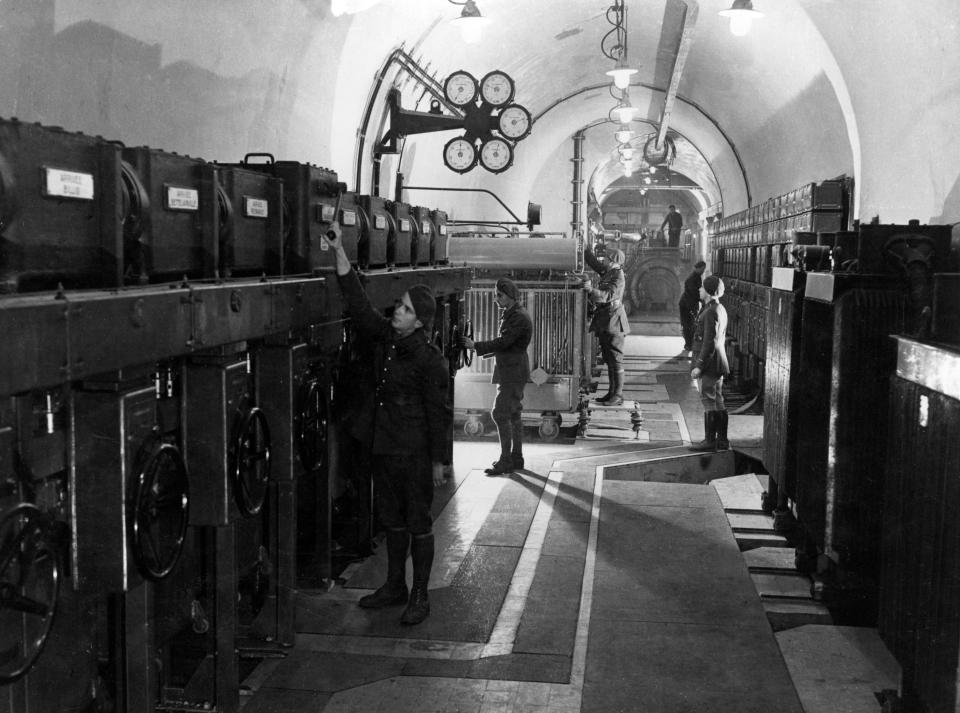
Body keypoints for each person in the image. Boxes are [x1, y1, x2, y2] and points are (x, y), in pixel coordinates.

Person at [325, 221, 451, 626]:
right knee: (392, 521)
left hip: (413, 453)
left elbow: (440, 414)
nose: (397, 311)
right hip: (384, 447)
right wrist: (339, 253)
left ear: (420, 321)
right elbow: (360, 309)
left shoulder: (430, 360)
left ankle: (420, 595)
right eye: (399, 306)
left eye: (406, 310)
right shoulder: (389, 339)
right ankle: (395, 584)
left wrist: (439, 461)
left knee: (418, 522)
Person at [462, 278, 533, 476]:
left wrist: (475, 345)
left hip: (512, 371)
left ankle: (505, 461)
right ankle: (516, 458)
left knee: (500, 413)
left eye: (499, 295)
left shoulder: (517, 316)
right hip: (514, 369)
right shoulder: (514, 313)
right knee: (513, 414)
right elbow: (509, 344)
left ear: (510, 295)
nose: (496, 299)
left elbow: (504, 342)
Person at [583, 244, 630, 406]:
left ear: (615, 262)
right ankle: (611, 393)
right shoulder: (609, 272)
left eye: (608, 259)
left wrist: (591, 291)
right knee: (608, 358)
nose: (606, 262)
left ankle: (618, 395)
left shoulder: (618, 276)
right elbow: (596, 265)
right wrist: (585, 251)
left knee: (615, 358)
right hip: (605, 320)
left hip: (614, 321)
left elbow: (607, 295)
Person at [688, 275, 730, 452]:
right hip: (717, 362)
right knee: (718, 400)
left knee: (708, 400)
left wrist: (699, 365)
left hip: (710, 364)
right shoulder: (718, 308)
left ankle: (709, 441)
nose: (699, 289)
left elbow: (709, 342)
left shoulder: (711, 311)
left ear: (708, 291)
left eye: (702, 287)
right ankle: (721, 440)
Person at [679, 260, 707, 352]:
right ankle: (688, 344)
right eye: (702, 269)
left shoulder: (697, 277)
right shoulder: (693, 278)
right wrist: (701, 300)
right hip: (686, 304)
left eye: (704, 269)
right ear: (697, 268)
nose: (703, 271)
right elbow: (694, 292)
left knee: (690, 324)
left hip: (689, 303)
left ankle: (689, 344)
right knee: (688, 325)